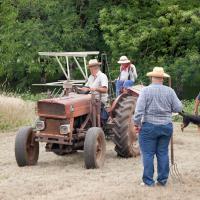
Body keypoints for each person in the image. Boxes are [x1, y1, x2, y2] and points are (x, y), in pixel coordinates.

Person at [133, 67, 182, 187]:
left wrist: (136, 123)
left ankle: (149, 181)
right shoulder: (170, 91)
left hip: (149, 126)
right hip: (166, 126)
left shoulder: (145, 91)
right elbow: (178, 108)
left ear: (151, 77)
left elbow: (139, 111)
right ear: (162, 79)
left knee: (148, 154)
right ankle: (162, 180)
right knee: (163, 153)